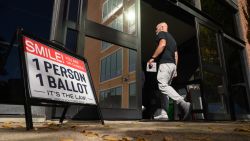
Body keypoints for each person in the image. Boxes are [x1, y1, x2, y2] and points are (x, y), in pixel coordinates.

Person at [148, 22, 191, 120]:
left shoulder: (161, 33)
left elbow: (162, 44)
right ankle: (164, 113)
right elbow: (176, 55)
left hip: (165, 64)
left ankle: (182, 102)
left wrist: (152, 57)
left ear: (162, 27)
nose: (156, 31)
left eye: (156, 28)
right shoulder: (173, 40)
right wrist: (175, 68)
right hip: (172, 66)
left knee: (162, 85)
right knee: (165, 90)